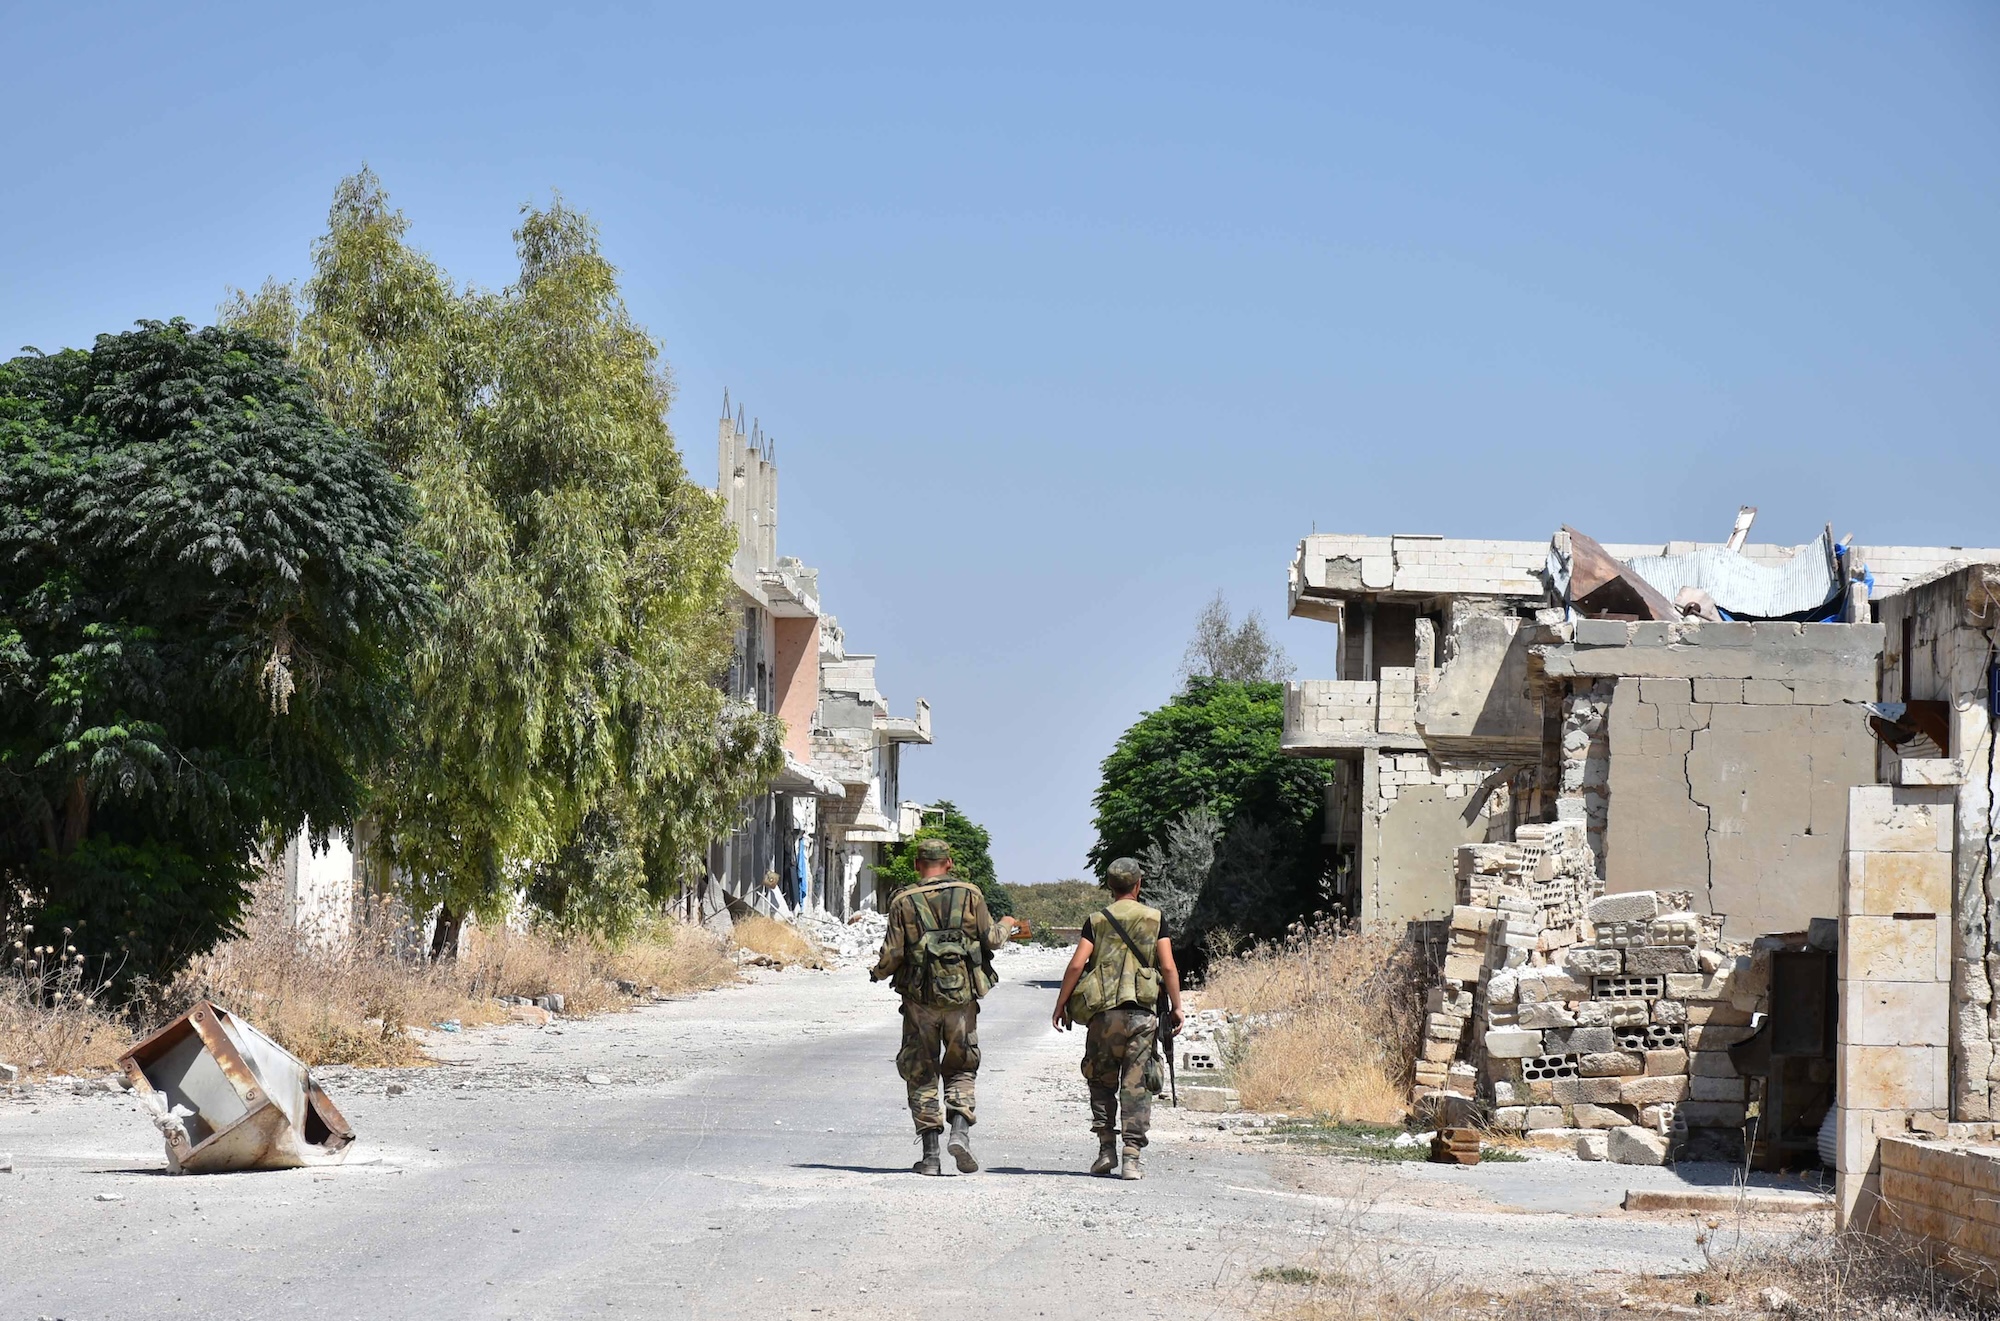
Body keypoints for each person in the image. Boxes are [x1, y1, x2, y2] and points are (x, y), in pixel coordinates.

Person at [868, 838, 1018, 1175]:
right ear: (949, 863)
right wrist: (1008, 923)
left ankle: (931, 1157)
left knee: (921, 1071)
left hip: (919, 1002)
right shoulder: (971, 894)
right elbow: (991, 938)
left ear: (918, 865)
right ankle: (960, 1134)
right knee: (962, 1067)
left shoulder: (902, 900)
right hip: (961, 1001)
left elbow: (892, 955)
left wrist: (877, 973)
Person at [1050, 856, 1183, 1180]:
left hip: (1104, 1016)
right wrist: (1178, 1006)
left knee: (1100, 1081)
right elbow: (1166, 966)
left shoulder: (1097, 920)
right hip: (1142, 1015)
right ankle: (1132, 1158)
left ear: (1110, 887)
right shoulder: (1154, 918)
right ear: (1138, 884)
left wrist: (1061, 1004)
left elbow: (1077, 965)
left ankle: (1106, 1149)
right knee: (1136, 1084)